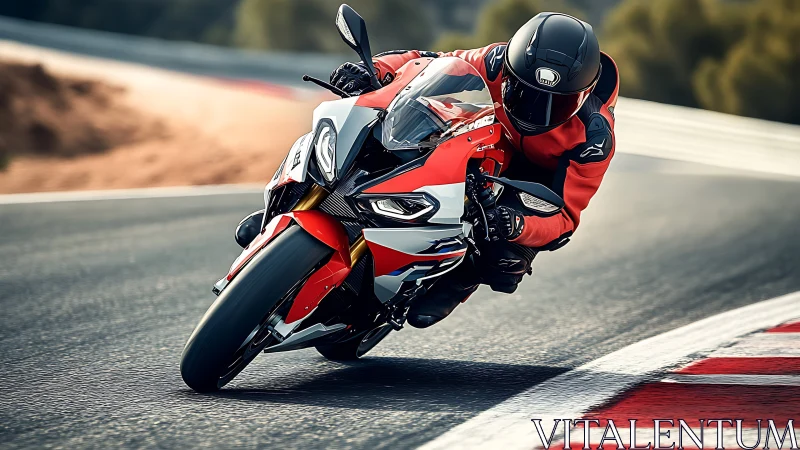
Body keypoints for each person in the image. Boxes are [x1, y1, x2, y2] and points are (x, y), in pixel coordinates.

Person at [240, 12, 619, 329]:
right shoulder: (496, 61)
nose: (537, 110)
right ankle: (292, 207)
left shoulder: (594, 137)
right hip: (489, 137)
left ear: (583, 96)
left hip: (534, 178)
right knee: (376, 133)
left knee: (504, 257)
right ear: (509, 70)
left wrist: (518, 224)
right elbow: (428, 62)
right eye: (524, 92)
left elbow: (566, 217)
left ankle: (459, 279)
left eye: (556, 103)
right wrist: (373, 70)